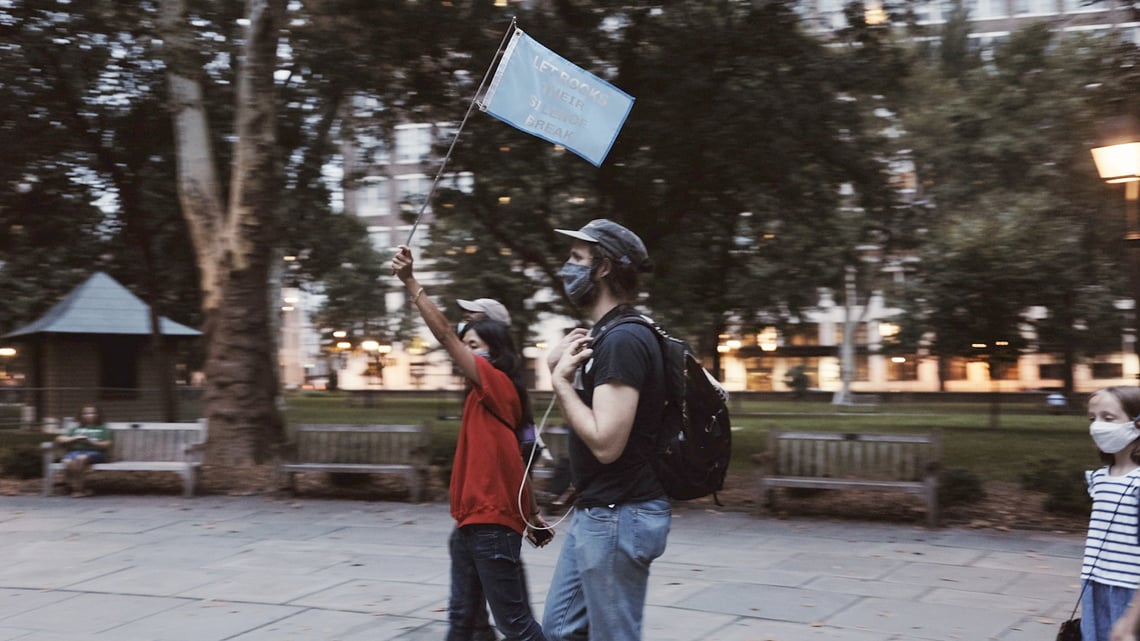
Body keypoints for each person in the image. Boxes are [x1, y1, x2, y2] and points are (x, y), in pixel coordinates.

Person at [392, 245, 547, 641]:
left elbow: (444, 334)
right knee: (463, 619)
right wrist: (531, 511)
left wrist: (411, 282)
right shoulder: (487, 393)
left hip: (491, 523)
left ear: (494, 348)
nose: (464, 341)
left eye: (473, 340)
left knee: (517, 626)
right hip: (474, 522)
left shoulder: (494, 382)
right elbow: (514, 457)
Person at [543, 218, 671, 641]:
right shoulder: (604, 337)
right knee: (559, 630)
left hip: (621, 515)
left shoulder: (622, 341)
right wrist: (554, 368)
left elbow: (606, 443)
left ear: (601, 269)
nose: (568, 266)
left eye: (577, 258)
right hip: (599, 510)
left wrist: (560, 383)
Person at [1081, 386, 1140, 641]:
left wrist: (1130, 621)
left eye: (1108, 418)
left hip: (1131, 593)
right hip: (1096, 585)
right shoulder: (1100, 479)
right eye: (1092, 418)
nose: (1097, 426)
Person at [54, 404, 112, 497]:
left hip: (96, 453)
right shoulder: (75, 429)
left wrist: (91, 442)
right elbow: (59, 439)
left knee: (81, 458)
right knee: (67, 461)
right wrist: (75, 438)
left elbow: (107, 445)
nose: (89, 415)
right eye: (86, 413)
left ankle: (77, 489)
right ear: (81, 415)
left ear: (98, 415)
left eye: (92, 413)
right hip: (74, 453)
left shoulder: (103, 429)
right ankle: (80, 489)